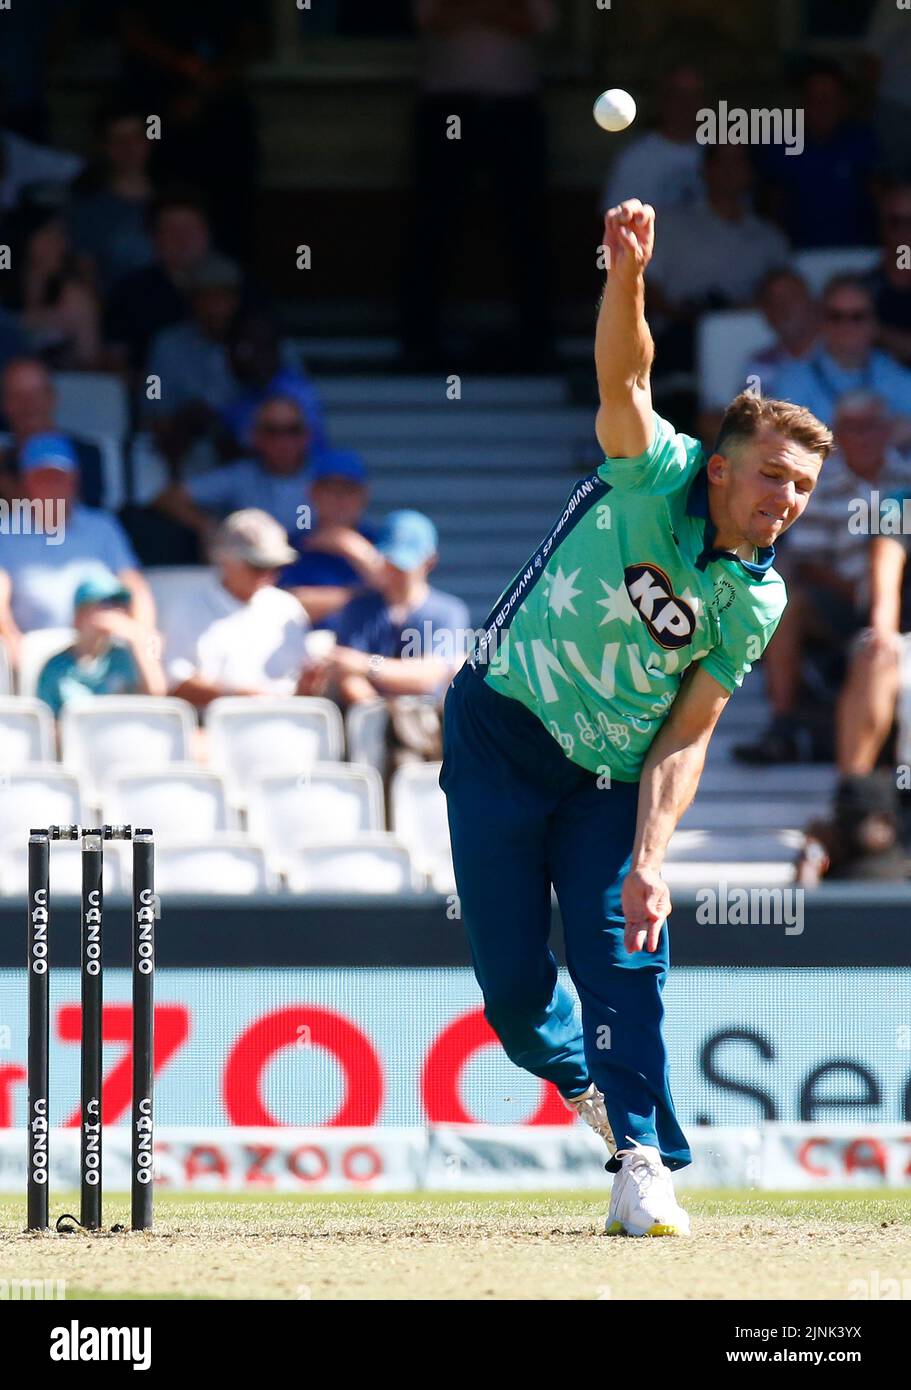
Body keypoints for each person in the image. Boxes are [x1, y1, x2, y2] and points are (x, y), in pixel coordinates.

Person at [439, 198, 832, 1237]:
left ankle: (642, 1159)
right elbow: (625, 379)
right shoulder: (648, 469)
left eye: (799, 488)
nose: (783, 500)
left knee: (624, 952)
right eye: (770, 476)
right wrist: (625, 275)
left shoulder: (754, 599)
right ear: (718, 465)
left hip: (610, 779)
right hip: (499, 731)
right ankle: (587, 1096)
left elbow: (688, 729)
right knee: (518, 996)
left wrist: (652, 853)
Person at [733, 392, 911, 764]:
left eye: (871, 426)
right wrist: (859, 591)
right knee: (785, 601)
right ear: (840, 434)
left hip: (897, 602)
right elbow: (805, 559)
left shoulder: (906, 479)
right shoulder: (817, 481)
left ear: (889, 430)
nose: (863, 436)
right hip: (840, 597)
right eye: (853, 428)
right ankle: (782, 722)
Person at [401, 0, 557, 367]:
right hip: (448, 107)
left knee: (525, 225)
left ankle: (537, 342)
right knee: (433, 223)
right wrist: (496, 11)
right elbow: (429, 18)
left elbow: (538, 22)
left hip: (515, 107)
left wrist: (470, 10)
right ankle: (418, 341)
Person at [0, 434, 155, 663]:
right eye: (42, 478)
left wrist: (145, 636)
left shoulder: (103, 527)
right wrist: (11, 638)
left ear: (75, 479)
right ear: (26, 482)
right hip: (35, 654)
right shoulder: (5, 530)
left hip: (104, 652)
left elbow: (135, 587)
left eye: (59, 477)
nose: (52, 486)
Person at [646, 145, 790, 373]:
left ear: (751, 172)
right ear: (705, 169)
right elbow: (646, 285)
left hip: (751, 343)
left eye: (738, 162)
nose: (729, 171)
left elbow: (785, 299)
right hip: (679, 340)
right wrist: (685, 315)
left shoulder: (770, 239)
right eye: (721, 162)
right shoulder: (669, 224)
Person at [304, 510, 469, 707]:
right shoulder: (358, 608)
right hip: (369, 722)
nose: (393, 571)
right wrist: (384, 719)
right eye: (389, 561)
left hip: (430, 725)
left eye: (403, 565)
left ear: (430, 562)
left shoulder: (448, 611)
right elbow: (347, 676)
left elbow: (432, 674)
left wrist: (366, 665)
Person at [160, 509, 310, 708]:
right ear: (225, 559)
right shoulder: (188, 607)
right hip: (211, 729)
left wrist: (311, 683)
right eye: (258, 565)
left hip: (284, 723)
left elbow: (300, 687)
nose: (268, 575)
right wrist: (233, 695)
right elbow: (175, 683)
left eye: (276, 566)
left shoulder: (288, 607)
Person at [153, 395, 317, 549]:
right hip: (257, 569)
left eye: (292, 430)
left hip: (317, 571)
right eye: (272, 430)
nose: (283, 440)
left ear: (307, 436)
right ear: (255, 437)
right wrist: (208, 526)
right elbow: (168, 497)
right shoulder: (240, 476)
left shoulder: (327, 475)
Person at [141, 252, 243, 478]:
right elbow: (154, 406)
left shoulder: (262, 341)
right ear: (191, 300)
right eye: (207, 297)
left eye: (223, 297)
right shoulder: (167, 345)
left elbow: (291, 402)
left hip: (253, 454)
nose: (215, 307)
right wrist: (188, 421)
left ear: (236, 301)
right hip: (186, 448)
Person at [756, 62, 878, 250]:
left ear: (843, 102)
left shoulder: (863, 141)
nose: (822, 106)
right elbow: (769, 206)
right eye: (815, 98)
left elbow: (881, 200)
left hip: (858, 253)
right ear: (802, 102)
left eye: (829, 98)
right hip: (799, 255)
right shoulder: (780, 144)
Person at [774, 275, 911, 431]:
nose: (846, 326)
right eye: (836, 316)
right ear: (822, 321)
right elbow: (784, 444)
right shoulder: (793, 379)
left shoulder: (897, 374)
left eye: (857, 317)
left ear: (874, 323)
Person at [103, 188, 213, 372]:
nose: (182, 240)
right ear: (154, 238)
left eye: (190, 230)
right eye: (171, 231)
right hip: (154, 388)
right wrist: (151, 393)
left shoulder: (237, 286)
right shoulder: (129, 292)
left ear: (207, 233)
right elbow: (116, 360)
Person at [36, 572, 166, 716]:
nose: (115, 611)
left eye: (119, 604)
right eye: (105, 604)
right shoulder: (55, 668)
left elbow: (157, 694)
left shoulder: (124, 657)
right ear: (80, 614)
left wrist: (137, 640)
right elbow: (46, 724)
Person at [280, 451, 382, 624]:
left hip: (368, 647)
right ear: (312, 493)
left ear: (364, 495)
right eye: (330, 489)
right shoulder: (292, 546)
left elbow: (400, 596)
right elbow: (283, 605)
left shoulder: (381, 541)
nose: (339, 499)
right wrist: (362, 597)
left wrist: (354, 550)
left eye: (349, 490)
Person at [67, 99, 156, 294]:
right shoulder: (86, 208)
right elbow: (87, 277)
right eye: (118, 140)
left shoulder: (175, 198)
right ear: (104, 147)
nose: (129, 147)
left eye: (136, 137)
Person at [0, 202, 102, 370]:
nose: (62, 245)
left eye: (62, 236)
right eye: (51, 235)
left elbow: (90, 365)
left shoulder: (76, 298)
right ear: (23, 239)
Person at [0, 357, 105, 507]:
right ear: (5, 405)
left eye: (36, 394)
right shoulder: (5, 461)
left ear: (52, 397)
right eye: (17, 396)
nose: (28, 405)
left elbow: (75, 515)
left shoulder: (85, 454)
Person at [602, 63, 706, 215]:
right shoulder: (634, 158)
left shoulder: (723, 154)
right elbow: (614, 223)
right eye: (677, 94)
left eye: (695, 95)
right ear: (662, 99)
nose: (686, 103)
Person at [220, 311, 327, 455]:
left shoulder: (297, 391)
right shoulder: (235, 392)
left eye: (265, 347)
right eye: (245, 347)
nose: (256, 356)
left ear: (276, 350)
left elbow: (303, 450)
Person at [741, 268, 820, 399]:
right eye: (773, 301)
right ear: (766, 314)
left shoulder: (838, 354)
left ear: (811, 303)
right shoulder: (759, 365)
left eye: (791, 298)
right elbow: (749, 414)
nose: (783, 307)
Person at [866, 182, 911, 368]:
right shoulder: (863, 289)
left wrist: (879, 332)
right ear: (882, 225)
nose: (906, 231)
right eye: (896, 222)